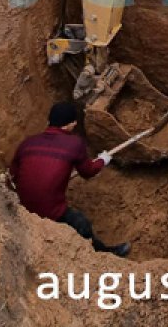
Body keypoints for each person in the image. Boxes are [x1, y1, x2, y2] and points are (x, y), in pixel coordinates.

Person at [10, 102, 130, 257]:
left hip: (22, 209)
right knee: (81, 224)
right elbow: (88, 172)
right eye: (74, 122)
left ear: (49, 121)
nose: (75, 125)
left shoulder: (27, 143)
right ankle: (103, 254)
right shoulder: (74, 143)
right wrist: (103, 160)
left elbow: (12, 176)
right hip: (50, 211)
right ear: (69, 124)